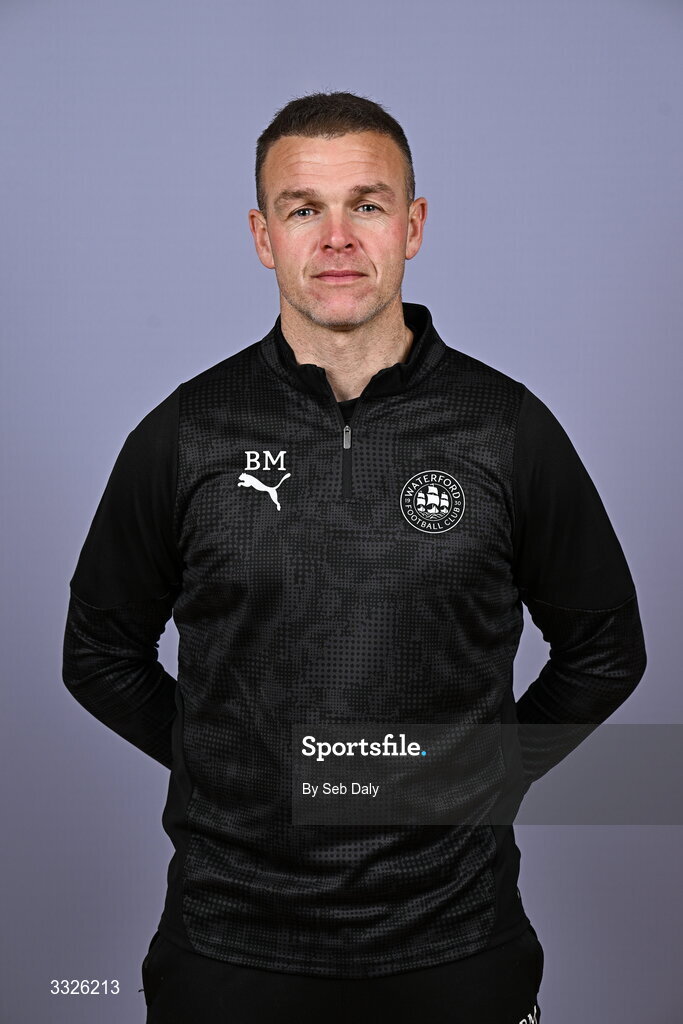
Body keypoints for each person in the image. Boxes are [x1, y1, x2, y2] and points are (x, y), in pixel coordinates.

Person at [62, 90, 647, 1024]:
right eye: (304, 209)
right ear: (264, 236)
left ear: (411, 225)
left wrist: (489, 773)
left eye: (366, 205)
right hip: (228, 942)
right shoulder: (185, 433)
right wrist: (227, 763)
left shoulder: (506, 430)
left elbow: (607, 650)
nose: (337, 238)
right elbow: (95, 655)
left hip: (457, 941)